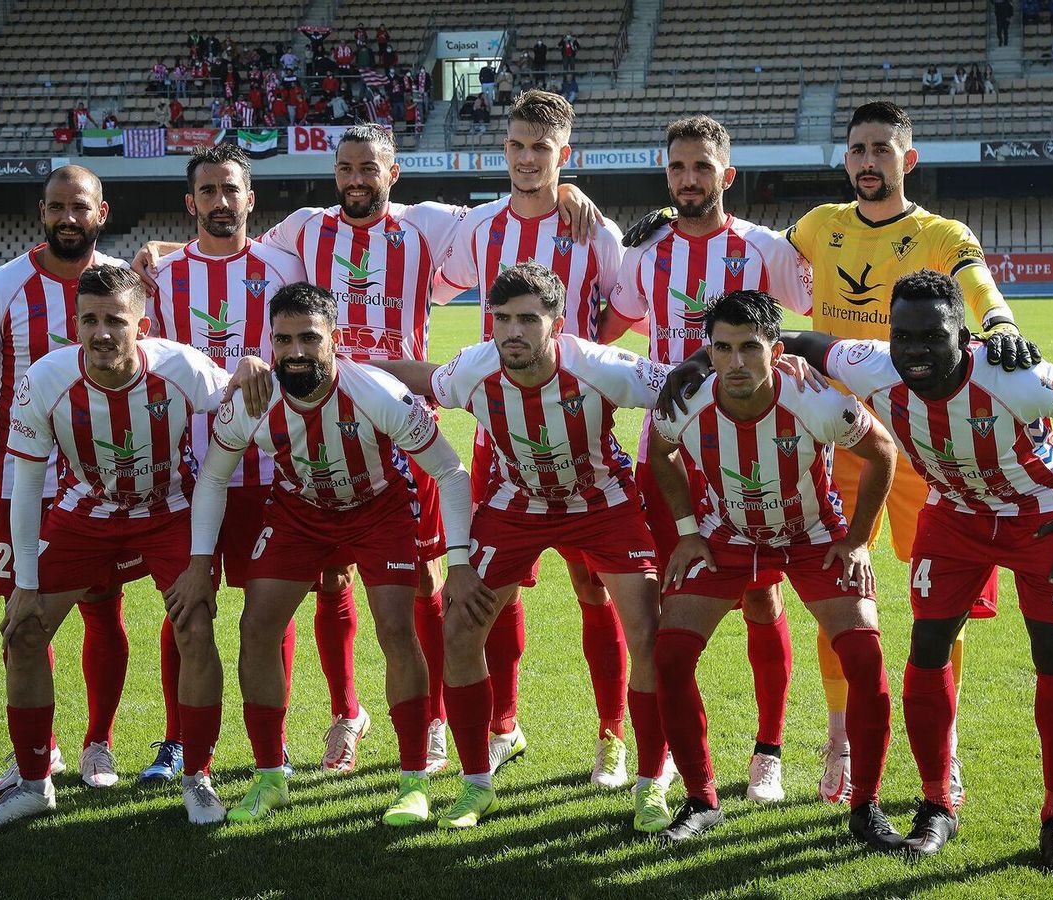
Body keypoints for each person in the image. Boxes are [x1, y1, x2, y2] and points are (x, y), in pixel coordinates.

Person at [135, 124, 602, 777]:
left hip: (404, 422)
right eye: (346, 168)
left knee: (423, 581)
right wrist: (165, 245)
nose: (357, 179)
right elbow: (228, 246)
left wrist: (566, 187)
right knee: (326, 575)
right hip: (316, 419)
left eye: (369, 168)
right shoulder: (302, 229)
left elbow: (516, 205)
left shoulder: (430, 225)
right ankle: (345, 715)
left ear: (393, 173)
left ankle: (439, 721)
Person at [634, 101, 1039, 813]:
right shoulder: (818, 227)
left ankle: (944, 747)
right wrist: (672, 219)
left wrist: (1000, 324)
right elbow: (740, 242)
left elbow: (977, 285)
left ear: (905, 160)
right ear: (845, 159)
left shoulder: (939, 233)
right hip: (834, 435)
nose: (868, 161)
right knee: (837, 590)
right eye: (858, 150)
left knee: (935, 600)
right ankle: (840, 735)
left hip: (926, 440)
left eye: (882, 149)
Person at [761, 269, 1053, 873]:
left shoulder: (1017, 378)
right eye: (903, 336)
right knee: (927, 646)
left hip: (1039, 516)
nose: (915, 352)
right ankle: (937, 806)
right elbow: (805, 342)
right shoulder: (874, 364)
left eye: (932, 337)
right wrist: (714, 357)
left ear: (962, 333)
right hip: (956, 516)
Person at [370, 262, 672, 834]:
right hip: (515, 506)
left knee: (648, 633)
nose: (512, 331)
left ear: (556, 323)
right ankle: (475, 784)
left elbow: (681, 380)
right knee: (460, 629)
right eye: (502, 318)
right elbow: (425, 379)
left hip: (602, 502)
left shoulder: (601, 365)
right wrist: (346, 369)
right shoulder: (476, 368)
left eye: (528, 319)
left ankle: (653, 780)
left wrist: (768, 361)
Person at [170, 281, 482, 826]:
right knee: (256, 628)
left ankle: (413, 780)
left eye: (308, 339)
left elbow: (451, 473)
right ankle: (270, 777)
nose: (294, 352)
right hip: (299, 511)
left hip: (378, 508)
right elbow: (213, 480)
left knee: (395, 628)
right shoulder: (253, 400)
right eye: (282, 339)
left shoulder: (378, 393)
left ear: (334, 339)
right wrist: (200, 564)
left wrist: (457, 563)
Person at [0, 264, 235, 827]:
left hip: (168, 512)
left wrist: (252, 365)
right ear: (76, 324)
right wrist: (26, 586)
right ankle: (36, 784)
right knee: (25, 631)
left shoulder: (182, 367)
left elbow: (237, 390)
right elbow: (28, 480)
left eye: (115, 319)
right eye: (89, 320)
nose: (102, 332)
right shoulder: (45, 379)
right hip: (83, 515)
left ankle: (199, 778)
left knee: (196, 625)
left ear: (141, 323)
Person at [605, 115, 817, 807]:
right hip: (667, 453)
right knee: (665, 611)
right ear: (666, 178)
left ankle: (768, 751)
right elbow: (615, 324)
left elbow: (813, 320)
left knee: (761, 595)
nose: (690, 179)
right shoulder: (646, 251)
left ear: (727, 174)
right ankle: (662, 760)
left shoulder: (764, 248)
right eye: (677, 169)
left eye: (702, 167)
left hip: (753, 450)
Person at [646, 289, 903, 848]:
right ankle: (701, 800)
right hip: (726, 536)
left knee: (863, 656)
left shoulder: (813, 399)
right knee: (670, 657)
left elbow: (883, 450)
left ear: (775, 349)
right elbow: (660, 452)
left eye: (750, 348)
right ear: (707, 352)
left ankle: (866, 807)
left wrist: (858, 541)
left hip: (814, 538)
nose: (736, 363)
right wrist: (688, 532)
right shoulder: (686, 400)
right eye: (723, 349)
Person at [436, 91, 634, 789]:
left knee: (595, 587)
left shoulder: (595, 230)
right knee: (496, 589)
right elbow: (430, 280)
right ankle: (502, 727)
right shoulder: (476, 228)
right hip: (502, 438)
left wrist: (583, 363)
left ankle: (611, 736)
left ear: (563, 156)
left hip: (582, 434)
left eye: (540, 150)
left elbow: (626, 309)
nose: (525, 160)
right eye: (516, 146)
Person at [0, 166, 139, 797]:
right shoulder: (3, 286)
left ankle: (97, 742)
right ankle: (39, 751)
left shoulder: (120, 286)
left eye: (78, 207)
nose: (67, 218)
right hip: (18, 483)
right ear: (41, 211)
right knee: (21, 616)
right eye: (56, 207)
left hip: (101, 479)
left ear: (100, 213)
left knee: (102, 610)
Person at [142, 144, 305, 781]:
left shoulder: (282, 266)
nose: (220, 201)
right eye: (207, 191)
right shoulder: (159, 276)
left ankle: (275, 744)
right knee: (188, 608)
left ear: (250, 198)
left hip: (270, 473)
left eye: (230, 189)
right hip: (191, 472)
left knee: (270, 608)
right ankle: (178, 739)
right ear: (191, 203)